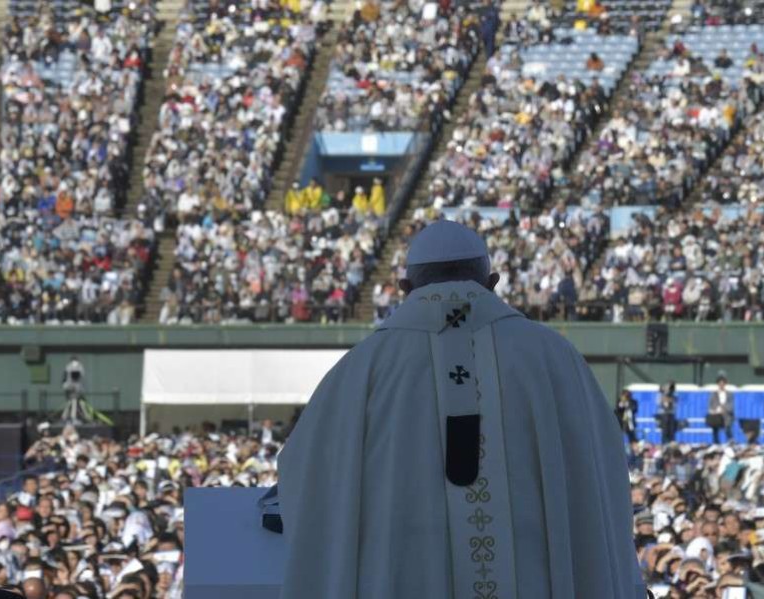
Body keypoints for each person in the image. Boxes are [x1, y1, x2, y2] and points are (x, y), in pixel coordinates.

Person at [276, 220, 645, 598]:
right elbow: (601, 478)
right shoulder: (554, 358)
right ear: (492, 282)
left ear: (405, 289)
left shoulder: (361, 369)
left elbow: (303, 479)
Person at [706, 372, 732, 444]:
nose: (721, 384)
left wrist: (724, 408)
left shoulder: (729, 394)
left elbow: (731, 405)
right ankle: (716, 444)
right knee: (715, 432)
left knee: (728, 430)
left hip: (726, 416)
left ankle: (730, 443)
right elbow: (710, 405)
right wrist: (715, 409)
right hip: (716, 416)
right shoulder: (713, 394)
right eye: (720, 383)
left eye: (723, 383)